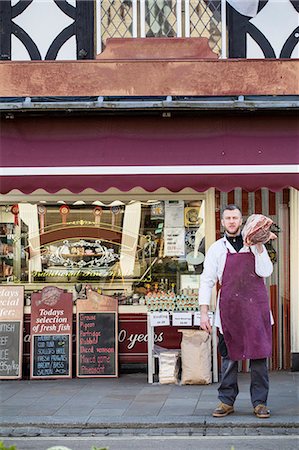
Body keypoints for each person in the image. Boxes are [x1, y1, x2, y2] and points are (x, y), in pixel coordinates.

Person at [199, 204, 273, 419]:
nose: (232, 221)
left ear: (241, 221)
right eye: (228, 218)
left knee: (258, 357)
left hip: (255, 310)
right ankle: (226, 401)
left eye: (235, 218)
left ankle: (260, 403)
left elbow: (265, 271)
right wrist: (204, 312)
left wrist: (258, 246)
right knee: (229, 357)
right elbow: (207, 281)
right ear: (222, 222)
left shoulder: (256, 245)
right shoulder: (217, 248)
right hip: (229, 310)